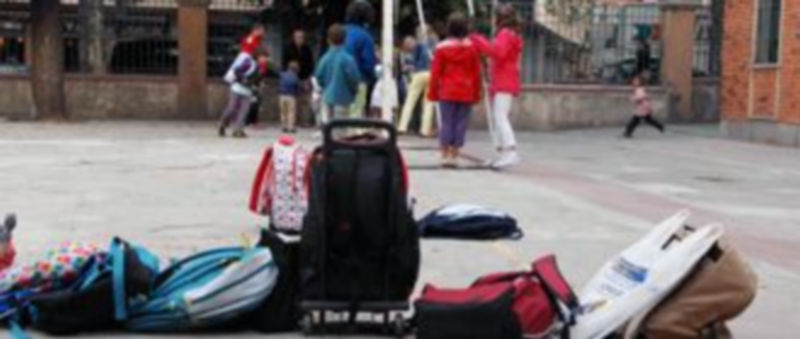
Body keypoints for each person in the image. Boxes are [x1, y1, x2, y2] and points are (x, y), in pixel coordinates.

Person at [469, 4, 523, 168]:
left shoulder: (506, 34)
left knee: (500, 116)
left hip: (504, 80)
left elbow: (497, 52)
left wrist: (478, 40)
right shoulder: (511, 34)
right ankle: (505, 153)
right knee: (499, 116)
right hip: (504, 79)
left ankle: (511, 150)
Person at [428, 13, 482, 168]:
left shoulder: (441, 48)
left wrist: (432, 92)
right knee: (461, 122)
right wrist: (477, 94)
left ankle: (444, 153)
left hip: (447, 90)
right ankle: (455, 153)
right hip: (466, 90)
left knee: (446, 122)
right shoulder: (471, 49)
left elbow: (436, 73)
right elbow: (476, 73)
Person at [218, 23, 265, 138]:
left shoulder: (260, 66)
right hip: (238, 87)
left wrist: (258, 85)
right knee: (232, 107)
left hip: (248, 90)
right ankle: (223, 123)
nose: (264, 59)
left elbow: (258, 77)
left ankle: (238, 130)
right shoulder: (248, 61)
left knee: (244, 110)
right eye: (263, 57)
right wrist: (243, 80)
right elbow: (237, 71)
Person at [314, 24, 362, 124]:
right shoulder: (348, 59)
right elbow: (354, 79)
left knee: (328, 128)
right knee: (341, 129)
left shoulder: (324, 58)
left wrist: (325, 86)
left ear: (328, 40)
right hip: (343, 98)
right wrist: (354, 91)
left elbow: (319, 77)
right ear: (345, 40)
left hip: (327, 97)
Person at [398, 28, 438, 137]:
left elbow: (414, 60)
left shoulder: (419, 45)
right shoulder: (434, 44)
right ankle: (425, 130)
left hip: (419, 73)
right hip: (431, 73)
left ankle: (402, 126)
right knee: (428, 103)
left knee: (410, 100)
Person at [343, 0, 377, 117]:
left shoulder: (340, 32)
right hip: (358, 79)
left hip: (337, 80)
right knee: (355, 115)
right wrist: (372, 77)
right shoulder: (365, 36)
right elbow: (368, 63)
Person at [282, 29, 315, 125]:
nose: (299, 39)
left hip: (304, 76)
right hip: (291, 78)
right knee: (292, 100)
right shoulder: (288, 48)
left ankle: (305, 121)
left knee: (305, 100)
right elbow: (284, 62)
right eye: (297, 37)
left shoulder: (307, 49)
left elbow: (311, 63)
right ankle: (291, 121)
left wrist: (309, 75)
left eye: (301, 37)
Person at [279, 61, 302, 133]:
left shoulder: (282, 75)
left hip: (282, 95)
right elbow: (297, 87)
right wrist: (298, 95)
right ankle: (291, 127)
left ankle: (284, 126)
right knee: (291, 112)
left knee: (283, 112)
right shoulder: (295, 77)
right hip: (291, 96)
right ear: (296, 69)